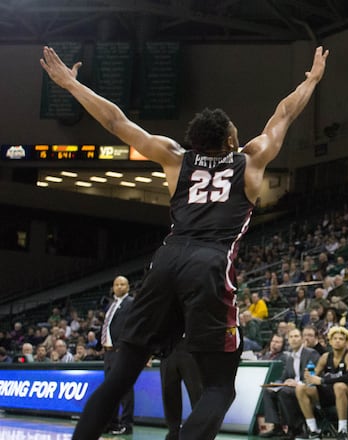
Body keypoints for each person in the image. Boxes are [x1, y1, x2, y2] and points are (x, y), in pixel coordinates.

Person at [40, 43, 329, 440]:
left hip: (166, 261)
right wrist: (311, 80)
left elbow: (117, 122)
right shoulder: (252, 158)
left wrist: (73, 86)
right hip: (210, 265)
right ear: (230, 141)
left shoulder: (176, 158)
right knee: (219, 388)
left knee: (120, 375)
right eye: (234, 131)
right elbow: (284, 114)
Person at [295, 326, 348, 440]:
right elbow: (312, 377)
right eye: (335, 338)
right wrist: (308, 377)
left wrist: (323, 380)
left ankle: (342, 431)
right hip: (330, 394)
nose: (338, 341)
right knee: (301, 388)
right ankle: (313, 430)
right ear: (330, 341)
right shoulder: (325, 357)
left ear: (346, 342)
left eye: (341, 339)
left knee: (339, 386)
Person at [258, 328, 321, 438]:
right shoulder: (290, 357)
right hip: (291, 388)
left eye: (296, 336)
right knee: (268, 391)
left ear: (302, 339)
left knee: (284, 392)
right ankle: (277, 427)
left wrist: (297, 382)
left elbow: (313, 376)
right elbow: (283, 377)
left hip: (307, 388)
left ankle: (295, 428)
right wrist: (276, 384)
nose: (293, 339)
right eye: (291, 337)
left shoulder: (311, 353)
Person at [99, 275, 135, 435]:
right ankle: (111, 422)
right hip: (109, 352)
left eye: (123, 284)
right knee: (110, 390)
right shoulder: (112, 305)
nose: (119, 287)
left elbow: (133, 326)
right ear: (113, 287)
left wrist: (124, 346)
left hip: (121, 351)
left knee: (125, 389)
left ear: (128, 287)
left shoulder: (131, 303)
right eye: (116, 284)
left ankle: (127, 424)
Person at [160, 337, 203, 440]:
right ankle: (173, 432)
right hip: (167, 347)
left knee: (197, 393)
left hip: (191, 345)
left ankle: (201, 432)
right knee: (168, 392)